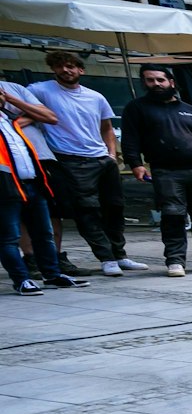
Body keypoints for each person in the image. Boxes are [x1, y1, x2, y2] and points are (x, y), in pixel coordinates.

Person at [30, 51, 145, 276]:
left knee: (114, 208)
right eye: (60, 66)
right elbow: (18, 103)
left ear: (81, 70)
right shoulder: (41, 90)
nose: (66, 70)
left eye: (71, 66)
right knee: (86, 210)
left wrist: (111, 155)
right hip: (70, 159)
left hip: (102, 158)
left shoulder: (95, 97)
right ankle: (106, 258)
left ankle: (119, 255)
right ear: (53, 69)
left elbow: (107, 128)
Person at [120, 65, 192, 275]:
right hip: (166, 171)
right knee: (173, 216)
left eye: (160, 80)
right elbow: (130, 139)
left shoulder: (191, 110)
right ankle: (175, 260)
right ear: (144, 83)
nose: (156, 84)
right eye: (150, 80)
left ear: (171, 82)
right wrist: (135, 164)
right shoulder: (137, 108)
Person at [2, 109, 87, 294]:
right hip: (5, 188)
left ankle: (52, 275)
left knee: (43, 234)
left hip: (32, 183)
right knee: (8, 238)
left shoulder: (11, 122)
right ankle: (21, 280)